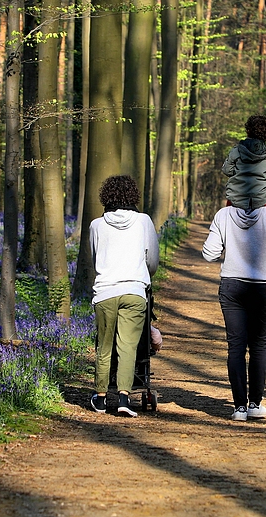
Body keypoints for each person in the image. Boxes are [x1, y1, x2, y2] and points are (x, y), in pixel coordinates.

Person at [201, 199, 266, 421]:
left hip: (231, 285)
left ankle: (239, 408)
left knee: (236, 346)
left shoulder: (223, 214)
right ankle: (255, 404)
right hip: (261, 286)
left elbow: (209, 253)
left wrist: (228, 242)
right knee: (259, 344)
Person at [88, 175, 159, 417]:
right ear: (133, 196)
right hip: (134, 290)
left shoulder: (96, 225)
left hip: (105, 291)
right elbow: (152, 261)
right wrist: (142, 273)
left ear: (105, 197)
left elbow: (94, 258)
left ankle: (99, 398)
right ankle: (124, 398)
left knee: (104, 346)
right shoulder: (143, 221)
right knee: (128, 346)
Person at [223, 115, 266, 211]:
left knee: (225, 218)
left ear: (248, 131)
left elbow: (227, 170)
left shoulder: (236, 150)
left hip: (235, 200)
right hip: (261, 200)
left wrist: (239, 173)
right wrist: (263, 176)